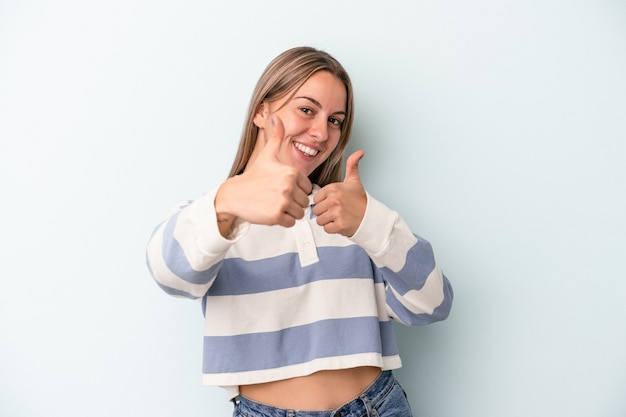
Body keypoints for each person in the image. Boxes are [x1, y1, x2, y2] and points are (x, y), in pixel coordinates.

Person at [146, 46, 453, 417]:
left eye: (336, 120)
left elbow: (432, 305)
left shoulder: (353, 214)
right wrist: (228, 203)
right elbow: (171, 276)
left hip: (378, 406)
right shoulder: (215, 216)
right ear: (262, 111)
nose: (323, 132)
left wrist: (373, 222)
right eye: (307, 110)